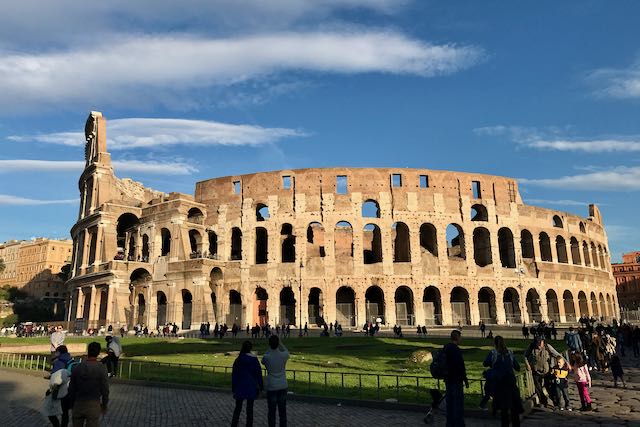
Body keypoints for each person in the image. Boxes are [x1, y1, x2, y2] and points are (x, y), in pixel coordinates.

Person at [68, 342, 109, 427]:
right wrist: (104, 404)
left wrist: (71, 403)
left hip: (78, 402)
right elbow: (105, 389)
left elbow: (71, 388)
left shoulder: (77, 367)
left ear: (88, 351)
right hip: (93, 403)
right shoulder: (101, 368)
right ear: (98, 353)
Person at [489, 336, 522, 426]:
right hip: (511, 383)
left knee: (504, 411)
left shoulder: (493, 353)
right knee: (514, 409)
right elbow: (517, 367)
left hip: (500, 385)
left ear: (494, 344)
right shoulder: (510, 353)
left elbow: (485, 363)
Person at [231, 341, 263, 427]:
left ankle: (233, 424)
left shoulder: (238, 359)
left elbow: (234, 374)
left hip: (240, 386)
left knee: (237, 409)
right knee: (250, 409)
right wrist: (260, 386)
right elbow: (258, 373)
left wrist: (233, 387)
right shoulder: (254, 359)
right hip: (251, 386)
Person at [262, 335, 289, 427]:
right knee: (282, 412)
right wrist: (280, 343)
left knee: (271, 412)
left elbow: (263, 359)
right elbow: (287, 351)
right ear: (278, 344)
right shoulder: (283, 355)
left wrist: (270, 347)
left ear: (269, 344)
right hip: (282, 385)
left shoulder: (267, 357)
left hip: (272, 386)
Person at [45, 345, 74, 427]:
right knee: (64, 413)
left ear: (59, 352)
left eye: (56, 352)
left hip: (59, 390)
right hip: (69, 389)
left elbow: (56, 377)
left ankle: (56, 425)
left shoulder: (58, 362)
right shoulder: (70, 360)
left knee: (49, 409)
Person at [444, 330, 468, 427]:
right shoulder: (456, 350)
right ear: (457, 337)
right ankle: (458, 424)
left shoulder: (446, 348)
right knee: (457, 405)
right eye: (460, 337)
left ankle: (449, 424)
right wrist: (465, 379)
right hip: (456, 380)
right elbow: (460, 366)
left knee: (449, 404)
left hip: (448, 379)